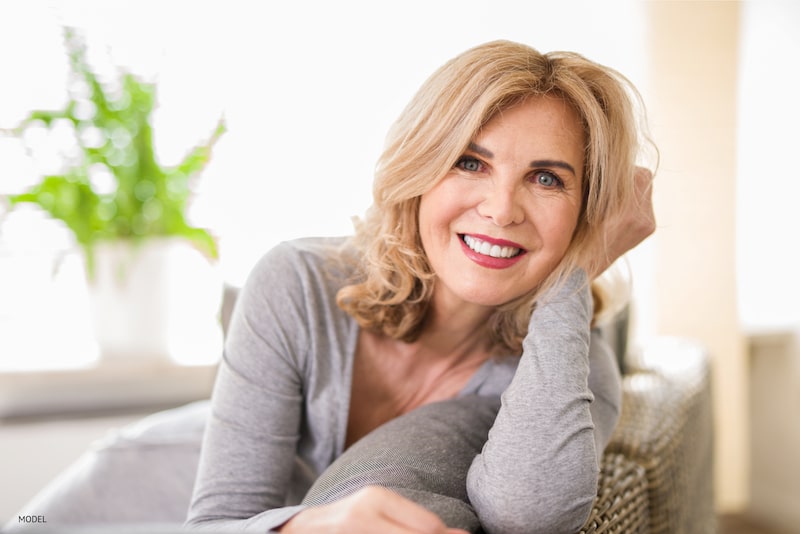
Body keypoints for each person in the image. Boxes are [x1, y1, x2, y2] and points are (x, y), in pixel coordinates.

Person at [185, 39, 656, 534]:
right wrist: (305, 527)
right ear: (420, 169)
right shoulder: (296, 284)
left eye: (545, 179)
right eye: (470, 163)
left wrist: (575, 271)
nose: (501, 210)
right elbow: (213, 524)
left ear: (588, 211)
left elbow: (530, 514)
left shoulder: (572, 371)